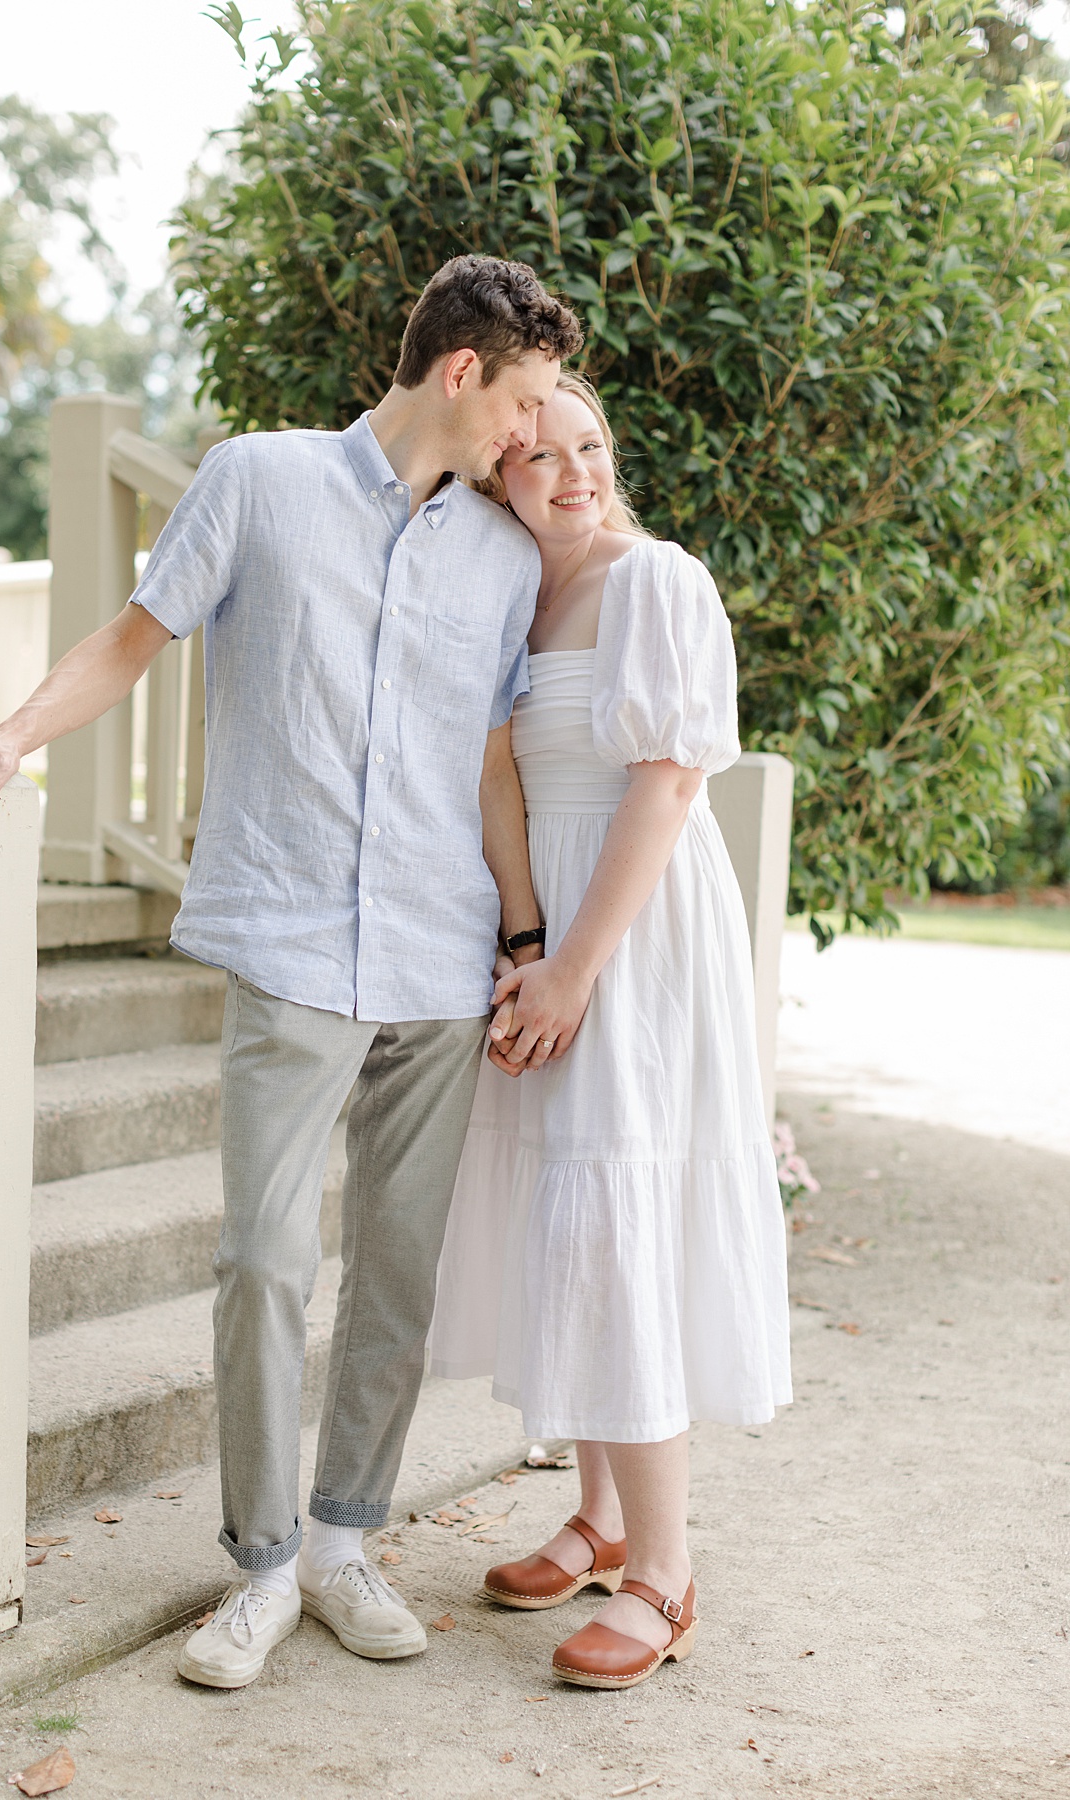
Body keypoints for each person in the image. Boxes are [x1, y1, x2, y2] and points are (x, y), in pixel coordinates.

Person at [0, 256, 583, 1690]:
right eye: (525, 401)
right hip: (289, 939)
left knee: (398, 1269)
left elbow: (494, 768)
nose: (532, 432)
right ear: (462, 372)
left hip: (440, 957)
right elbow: (133, 638)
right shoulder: (259, 481)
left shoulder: (505, 556)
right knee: (262, 1257)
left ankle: (344, 1543)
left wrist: (525, 941)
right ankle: (263, 1564)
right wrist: (8, 739)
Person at [428, 372, 792, 1690]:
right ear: (498, 475)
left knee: (620, 1213)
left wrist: (577, 969)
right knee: (571, 1219)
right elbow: (497, 780)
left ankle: (666, 1574)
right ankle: (598, 1521)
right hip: (556, 940)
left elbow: (670, 783)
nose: (576, 472)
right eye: (543, 456)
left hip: (636, 937)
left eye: (591, 446)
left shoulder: (656, 581)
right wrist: (526, 945)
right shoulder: (511, 596)